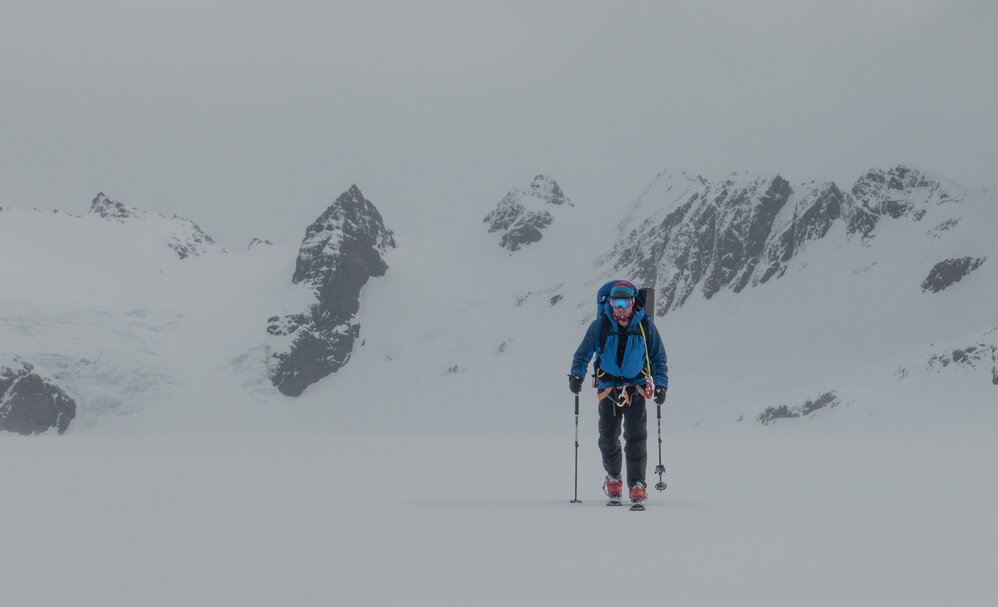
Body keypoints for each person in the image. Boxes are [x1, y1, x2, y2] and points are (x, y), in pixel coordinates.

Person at [568, 281, 668, 504]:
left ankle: (636, 484)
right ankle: (613, 477)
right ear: (610, 303)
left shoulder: (645, 326)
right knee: (607, 438)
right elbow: (583, 354)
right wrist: (577, 375)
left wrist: (661, 384)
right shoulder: (599, 326)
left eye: (624, 302)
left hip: (636, 389)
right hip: (608, 390)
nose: (620, 308)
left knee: (636, 438)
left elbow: (658, 358)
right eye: (615, 302)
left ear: (633, 302)